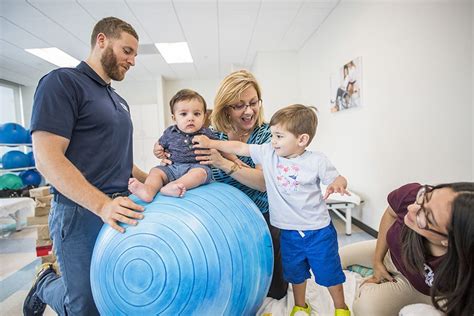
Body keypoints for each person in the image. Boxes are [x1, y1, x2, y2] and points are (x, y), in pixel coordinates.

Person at [23, 17, 147, 316]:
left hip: (118, 207)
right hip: (80, 213)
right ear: (102, 40)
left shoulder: (117, 100)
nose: (132, 61)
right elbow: (47, 158)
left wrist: (156, 179)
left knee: (113, 293)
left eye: (134, 55)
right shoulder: (62, 82)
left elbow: (118, 158)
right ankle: (45, 283)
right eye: (126, 51)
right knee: (86, 307)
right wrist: (102, 205)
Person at [192, 104, 351, 316]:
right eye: (273, 135)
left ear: (301, 140)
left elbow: (338, 177)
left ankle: (341, 308)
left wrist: (339, 183)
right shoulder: (268, 153)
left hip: (317, 232)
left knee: (329, 273)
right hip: (288, 232)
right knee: (295, 273)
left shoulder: (317, 161)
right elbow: (239, 148)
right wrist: (211, 143)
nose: (272, 140)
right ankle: (300, 305)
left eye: (278, 136)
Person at [154, 70, 289, 300]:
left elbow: (263, 183)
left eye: (253, 103)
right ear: (226, 108)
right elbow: (182, 160)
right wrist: (164, 154)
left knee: (275, 291)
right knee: (230, 289)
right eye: (239, 105)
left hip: (264, 218)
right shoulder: (211, 134)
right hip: (224, 221)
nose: (249, 111)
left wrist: (223, 163)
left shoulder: (268, 136)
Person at [339, 182, 474, 316]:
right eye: (426, 196)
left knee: (365, 309)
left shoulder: (460, 269)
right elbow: (391, 214)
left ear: (448, 241)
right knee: (337, 257)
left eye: (427, 216)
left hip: (416, 286)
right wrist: (377, 261)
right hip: (390, 255)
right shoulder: (412, 195)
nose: (411, 208)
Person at [128, 89, 232, 200]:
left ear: (204, 117)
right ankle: (148, 190)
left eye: (197, 114)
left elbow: (221, 147)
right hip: (172, 167)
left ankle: (172, 186)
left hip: (196, 167)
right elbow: (159, 145)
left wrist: (234, 160)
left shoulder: (206, 133)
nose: (191, 118)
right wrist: (157, 150)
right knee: (155, 171)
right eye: (183, 114)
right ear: (174, 118)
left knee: (201, 174)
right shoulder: (169, 132)